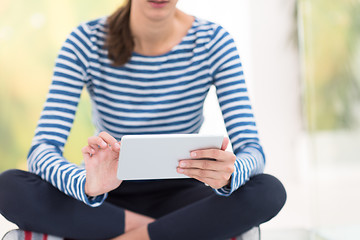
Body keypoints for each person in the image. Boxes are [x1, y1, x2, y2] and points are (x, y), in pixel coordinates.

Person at [0, 0, 286, 239]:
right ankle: (159, 232)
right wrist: (86, 184)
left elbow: (253, 150)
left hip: (184, 195)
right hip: (109, 197)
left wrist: (229, 175)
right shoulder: (85, 42)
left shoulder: (213, 42)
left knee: (268, 191)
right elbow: (42, 151)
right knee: (9, 186)